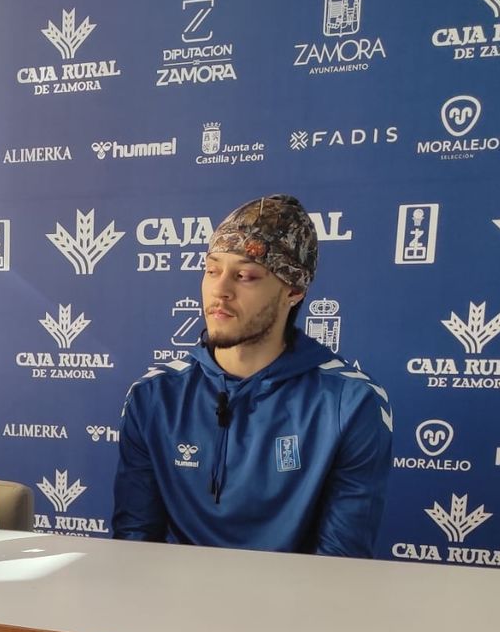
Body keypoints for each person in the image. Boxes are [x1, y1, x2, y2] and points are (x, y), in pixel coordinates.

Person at [113, 194, 391, 555]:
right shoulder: (154, 396)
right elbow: (135, 549)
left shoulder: (350, 403)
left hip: (296, 606)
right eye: (212, 270)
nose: (220, 290)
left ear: (293, 291)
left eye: (245, 275)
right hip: (176, 603)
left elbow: (340, 565)